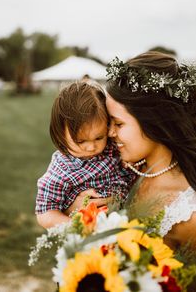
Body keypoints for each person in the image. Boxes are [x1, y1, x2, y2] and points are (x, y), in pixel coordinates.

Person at [68, 52, 196, 250]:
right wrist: (79, 208)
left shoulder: (189, 217)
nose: (110, 132)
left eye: (118, 123)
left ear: (153, 122)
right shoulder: (124, 170)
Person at [35, 81, 134, 228]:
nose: (91, 147)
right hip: (89, 233)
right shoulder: (62, 170)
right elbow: (45, 213)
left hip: (124, 220)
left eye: (99, 137)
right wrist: (78, 227)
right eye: (80, 141)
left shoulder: (113, 148)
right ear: (60, 134)